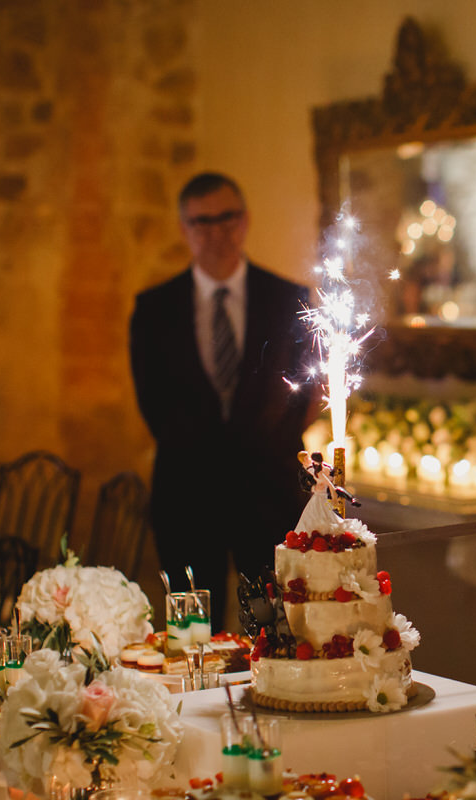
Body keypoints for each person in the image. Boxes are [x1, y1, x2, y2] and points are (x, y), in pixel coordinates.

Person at [129, 172, 314, 632]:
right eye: (201, 222)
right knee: (192, 639)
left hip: (269, 495)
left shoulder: (288, 299)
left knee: (275, 633)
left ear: (245, 220)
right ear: (184, 228)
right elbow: (153, 403)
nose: (216, 232)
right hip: (187, 496)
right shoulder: (154, 309)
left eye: (227, 218)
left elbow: (304, 396)